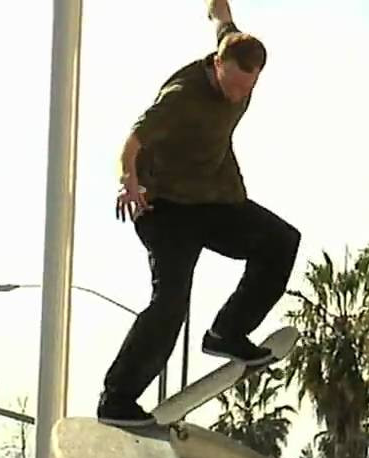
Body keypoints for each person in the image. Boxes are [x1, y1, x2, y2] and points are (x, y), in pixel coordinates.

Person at [98, 0, 300, 427]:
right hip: (164, 208)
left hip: (213, 200)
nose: (238, 95)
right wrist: (127, 181)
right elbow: (131, 142)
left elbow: (222, 18)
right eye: (232, 86)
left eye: (248, 88)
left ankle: (227, 331)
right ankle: (117, 398)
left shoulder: (234, 49)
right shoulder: (182, 96)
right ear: (217, 65)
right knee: (171, 300)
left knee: (281, 241)